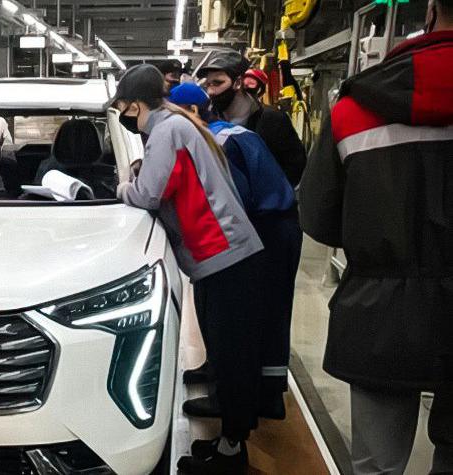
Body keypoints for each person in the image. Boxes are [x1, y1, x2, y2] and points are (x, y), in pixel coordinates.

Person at [298, 0, 453, 472]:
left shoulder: (353, 107)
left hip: (380, 313)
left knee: (376, 466)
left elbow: (318, 217)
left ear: (430, 11)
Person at [110, 64, 264, 474]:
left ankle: (232, 455)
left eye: (123, 107)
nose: (123, 115)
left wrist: (122, 186)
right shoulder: (177, 125)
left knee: (232, 360)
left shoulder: (167, 131)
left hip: (225, 257)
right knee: (227, 355)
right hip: (224, 257)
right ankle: (228, 441)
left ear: (135, 105)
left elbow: (147, 194)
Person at [169, 83, 302, 423]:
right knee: (249, 310)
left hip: (266, 229)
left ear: (193, 112)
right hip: (269, 223)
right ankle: (232, 379)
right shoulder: (225, 132)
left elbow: (227, 200)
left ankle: (257, 397)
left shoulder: (218, 142)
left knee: (248, 316)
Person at [198, 51, 306, 186]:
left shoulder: (272, 120)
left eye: (217, 83)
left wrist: (270, 193)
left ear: (238, 83)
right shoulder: (208, 120)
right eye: (208, 85)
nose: (210, 91)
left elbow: (295, 164)